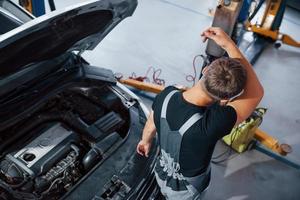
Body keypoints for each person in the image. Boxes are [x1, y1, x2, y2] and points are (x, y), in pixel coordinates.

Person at [136, 27, 264, 199]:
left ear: (205, 70)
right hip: (186, 192)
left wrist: (145, 141)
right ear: (227, 98)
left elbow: (151, 121)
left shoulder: (168, 94)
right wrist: (229, 44)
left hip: (161, 172)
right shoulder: (216, 122)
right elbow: (256, 92)